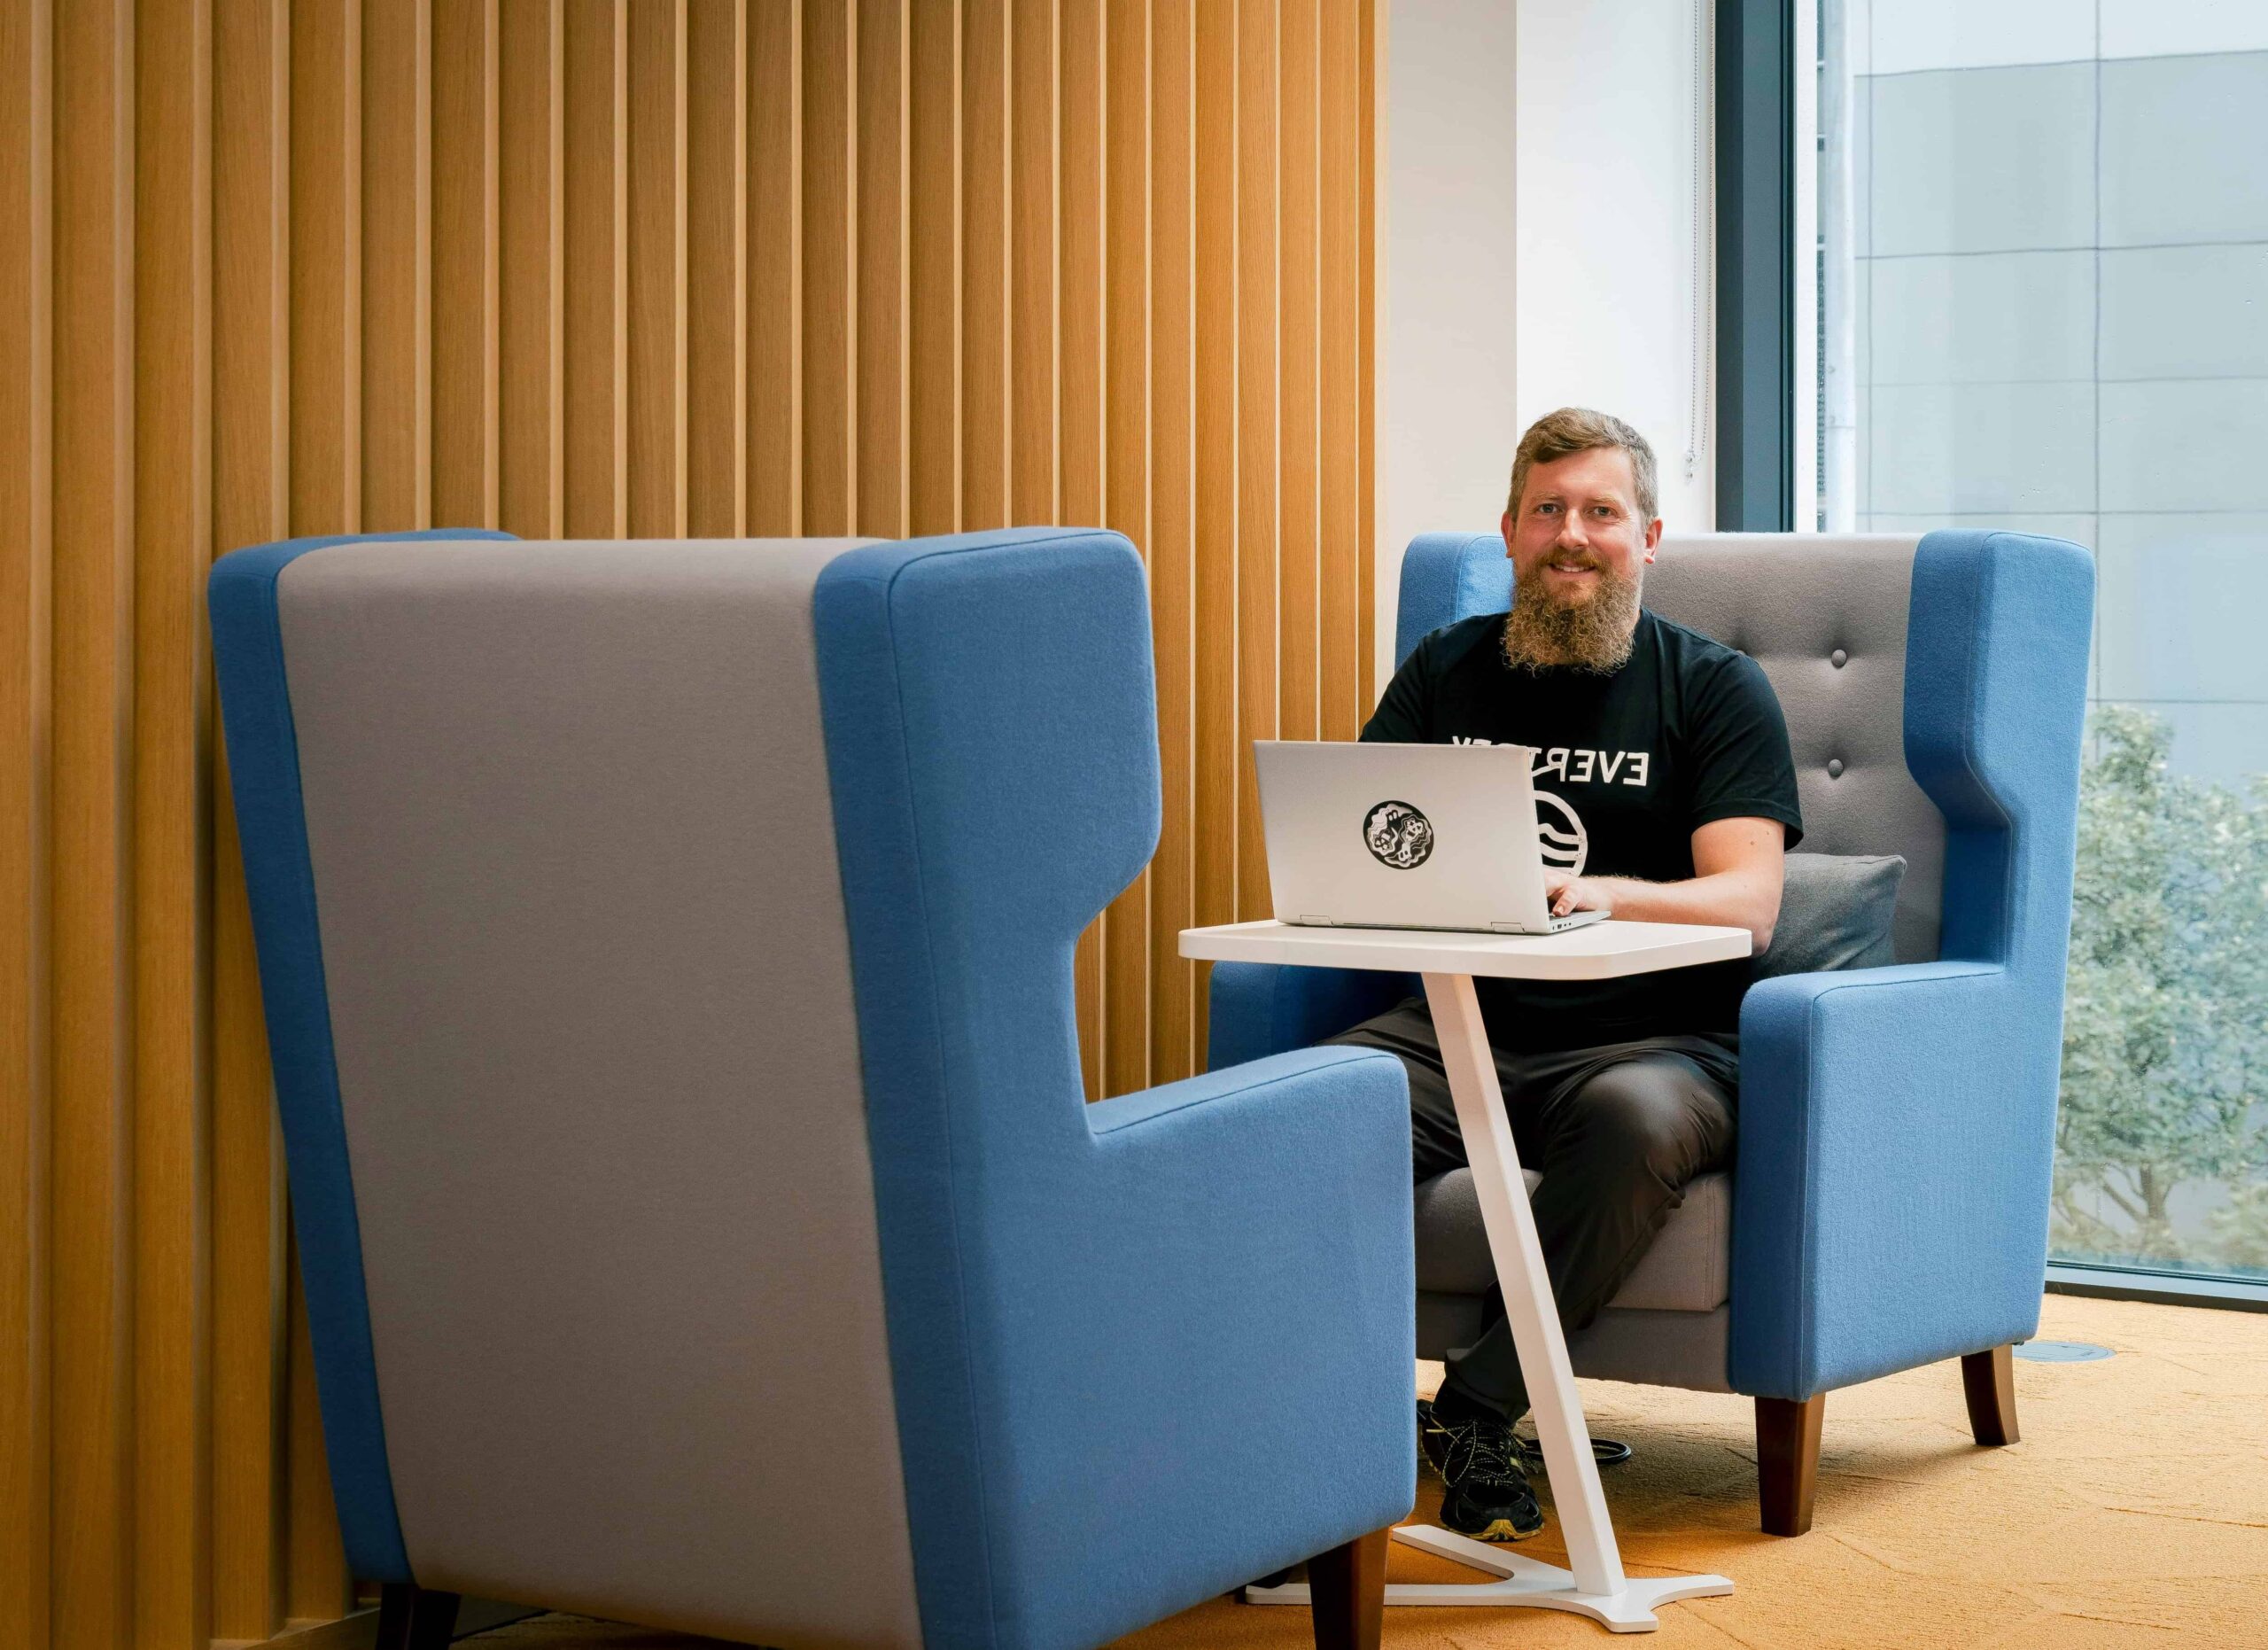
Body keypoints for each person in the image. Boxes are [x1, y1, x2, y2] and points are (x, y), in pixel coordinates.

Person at [1327, 407, 1803, 1541]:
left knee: (1635, 1120)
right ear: (1509, 531)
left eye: (1600, 511)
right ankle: (1307, 1423)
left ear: (1648, 537)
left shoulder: (1715, 686)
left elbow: (1747, 901)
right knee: (1310, 1111)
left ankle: (1476, 1409)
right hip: (1459, 1025)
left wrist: (1600, 892)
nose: (1572, 534)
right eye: (1548, 511)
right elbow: (1358, 838)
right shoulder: (1446, 668)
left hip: (1652, 1040)